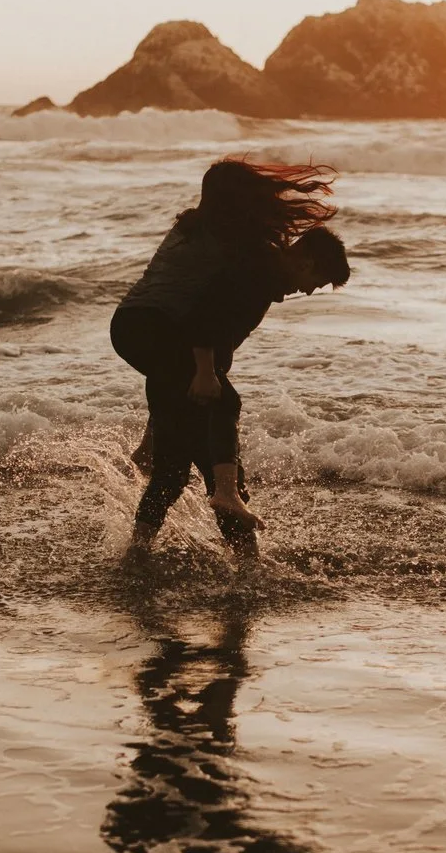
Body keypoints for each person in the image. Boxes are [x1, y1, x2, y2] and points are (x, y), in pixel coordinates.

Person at [110, 159, 351, 556]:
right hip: (149, 328)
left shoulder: (217, 234)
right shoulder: (256, 263)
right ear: (307, 262)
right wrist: (206, 372)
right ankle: (231, 520)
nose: (309, 292)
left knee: (178, 460)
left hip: (143, 331)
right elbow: (204, 319)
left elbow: (208, 339)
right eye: (318, 282)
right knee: (223, 405)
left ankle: (141, 552)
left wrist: (199, 378)